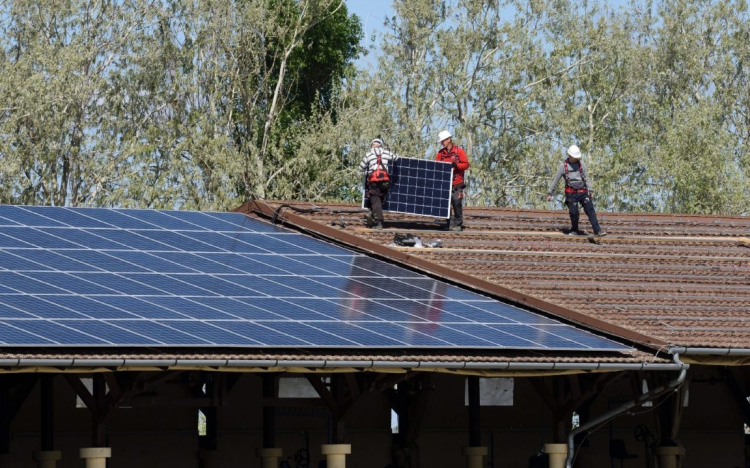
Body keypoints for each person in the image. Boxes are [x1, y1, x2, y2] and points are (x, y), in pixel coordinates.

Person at [547, 144, 607, 236]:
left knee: (590, 209)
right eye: (574, 157)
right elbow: (556, 180)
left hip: (583, 192)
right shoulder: (563, 166)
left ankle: (597, 231)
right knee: (574, 212)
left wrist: (590, 190)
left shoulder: (582, 165)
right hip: (571, 194)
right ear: (570, 155)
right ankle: (574, 230)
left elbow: (587, 178)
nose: (575, 159)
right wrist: (550, 192)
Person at [435, 130, 470, 231]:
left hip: (457, 183)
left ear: (449, 139)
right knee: (445, 204)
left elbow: (466, 164)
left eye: (443, 141)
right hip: (445, 183)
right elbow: (436, 166)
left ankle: (458, 224)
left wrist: (457, 165)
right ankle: (449, 224)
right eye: (441, 141)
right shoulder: (440, 154)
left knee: (456, 202)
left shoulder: (459, 151)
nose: (442, 143)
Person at [360, 138, 398, 230]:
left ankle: (378, 222)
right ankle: (372, 217)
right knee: (378, 200)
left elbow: (361, 167)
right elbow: (396, 157)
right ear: (380, 145)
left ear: (372, 145)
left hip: (374, 182)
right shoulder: (386, 152)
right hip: (385, 182)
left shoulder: (369, 154)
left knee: (375, 200)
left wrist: (367, 171)